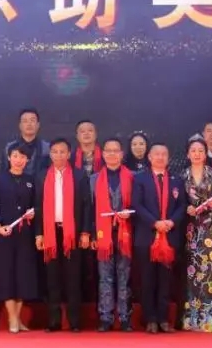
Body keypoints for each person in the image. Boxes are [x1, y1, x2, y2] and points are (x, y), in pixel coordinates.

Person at [35, 138, 91, 332]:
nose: (58, 155)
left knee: (73, 278)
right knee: (52, 278)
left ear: (69, 154)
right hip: (50, 232)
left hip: (72, 232)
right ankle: (54, 321)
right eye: (55, 152)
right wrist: (39, 234)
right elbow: (37, 207)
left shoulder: (79, 175)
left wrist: (85, 232)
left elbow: (87, 205)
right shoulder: (41, 176)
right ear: (50, 154)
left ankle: (74, 321)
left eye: (62, 152)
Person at [131, 142, 187, 333]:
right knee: (147, 279)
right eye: (157, 154)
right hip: (147, 236)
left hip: (169, 236)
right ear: (150, 157)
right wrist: (155, 223)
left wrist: (171, 222)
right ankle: (150, 319)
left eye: (164, 154)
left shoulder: (177, 180)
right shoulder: (140, 179)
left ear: (168, 157)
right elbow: (137, 205)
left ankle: (163, 319)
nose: (160, 157)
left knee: (165, 280)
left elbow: (182, 205)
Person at [0, 144, 38, 333]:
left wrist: (33, 213)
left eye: (22, 157)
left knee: (23, 275)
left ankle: (17, 318)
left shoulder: (31, 181)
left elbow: (35, 205)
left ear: (27, 160)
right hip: (5, 235)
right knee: (7, 275)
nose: (19, 160)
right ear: (9, 157)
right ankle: (12, 318)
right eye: (15, 156)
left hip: (25, 235)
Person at [90, 138, 135, 332]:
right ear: (102, 154)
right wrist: (92, 235)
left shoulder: (133, 177)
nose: (112, 154)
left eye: (116, 150)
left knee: (125, 276)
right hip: (103, 234)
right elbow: (89, 209)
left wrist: (130, 213)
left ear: (122, 154)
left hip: (126, 232)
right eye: (108, 150)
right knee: (104, 277)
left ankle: (125, 317)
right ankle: (105, 317)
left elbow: (138, 204)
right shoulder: (93, 179)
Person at [182, 135, 212, 332]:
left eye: (201, 150)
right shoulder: (182, 175)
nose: (197, 154)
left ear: (205, 154)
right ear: (187, 154)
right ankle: (192, 318)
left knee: (211, 270)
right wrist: (187, 208)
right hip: (191, 228)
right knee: (192, 271)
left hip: (210, 227)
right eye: (193, 151)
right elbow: (179, 201)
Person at [3, 107, 50, 179]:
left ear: (38, 125)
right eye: (25, 121)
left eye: (32, 120)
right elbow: (4, 171)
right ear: (20, 125)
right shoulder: (10, 147)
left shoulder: (47, 148)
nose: (29, 124)